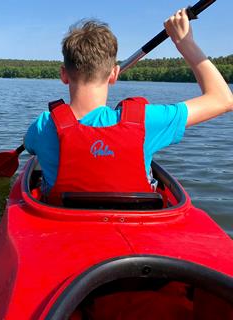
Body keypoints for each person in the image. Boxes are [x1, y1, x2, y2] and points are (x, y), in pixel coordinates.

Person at [24, 8, 233, 202]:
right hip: (135, 227)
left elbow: (30, 145)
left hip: (63, 225)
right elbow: (223, 99)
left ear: (63, 75)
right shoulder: (146, 121)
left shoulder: (42, 126)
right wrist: (184, 42)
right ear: (114, 74)